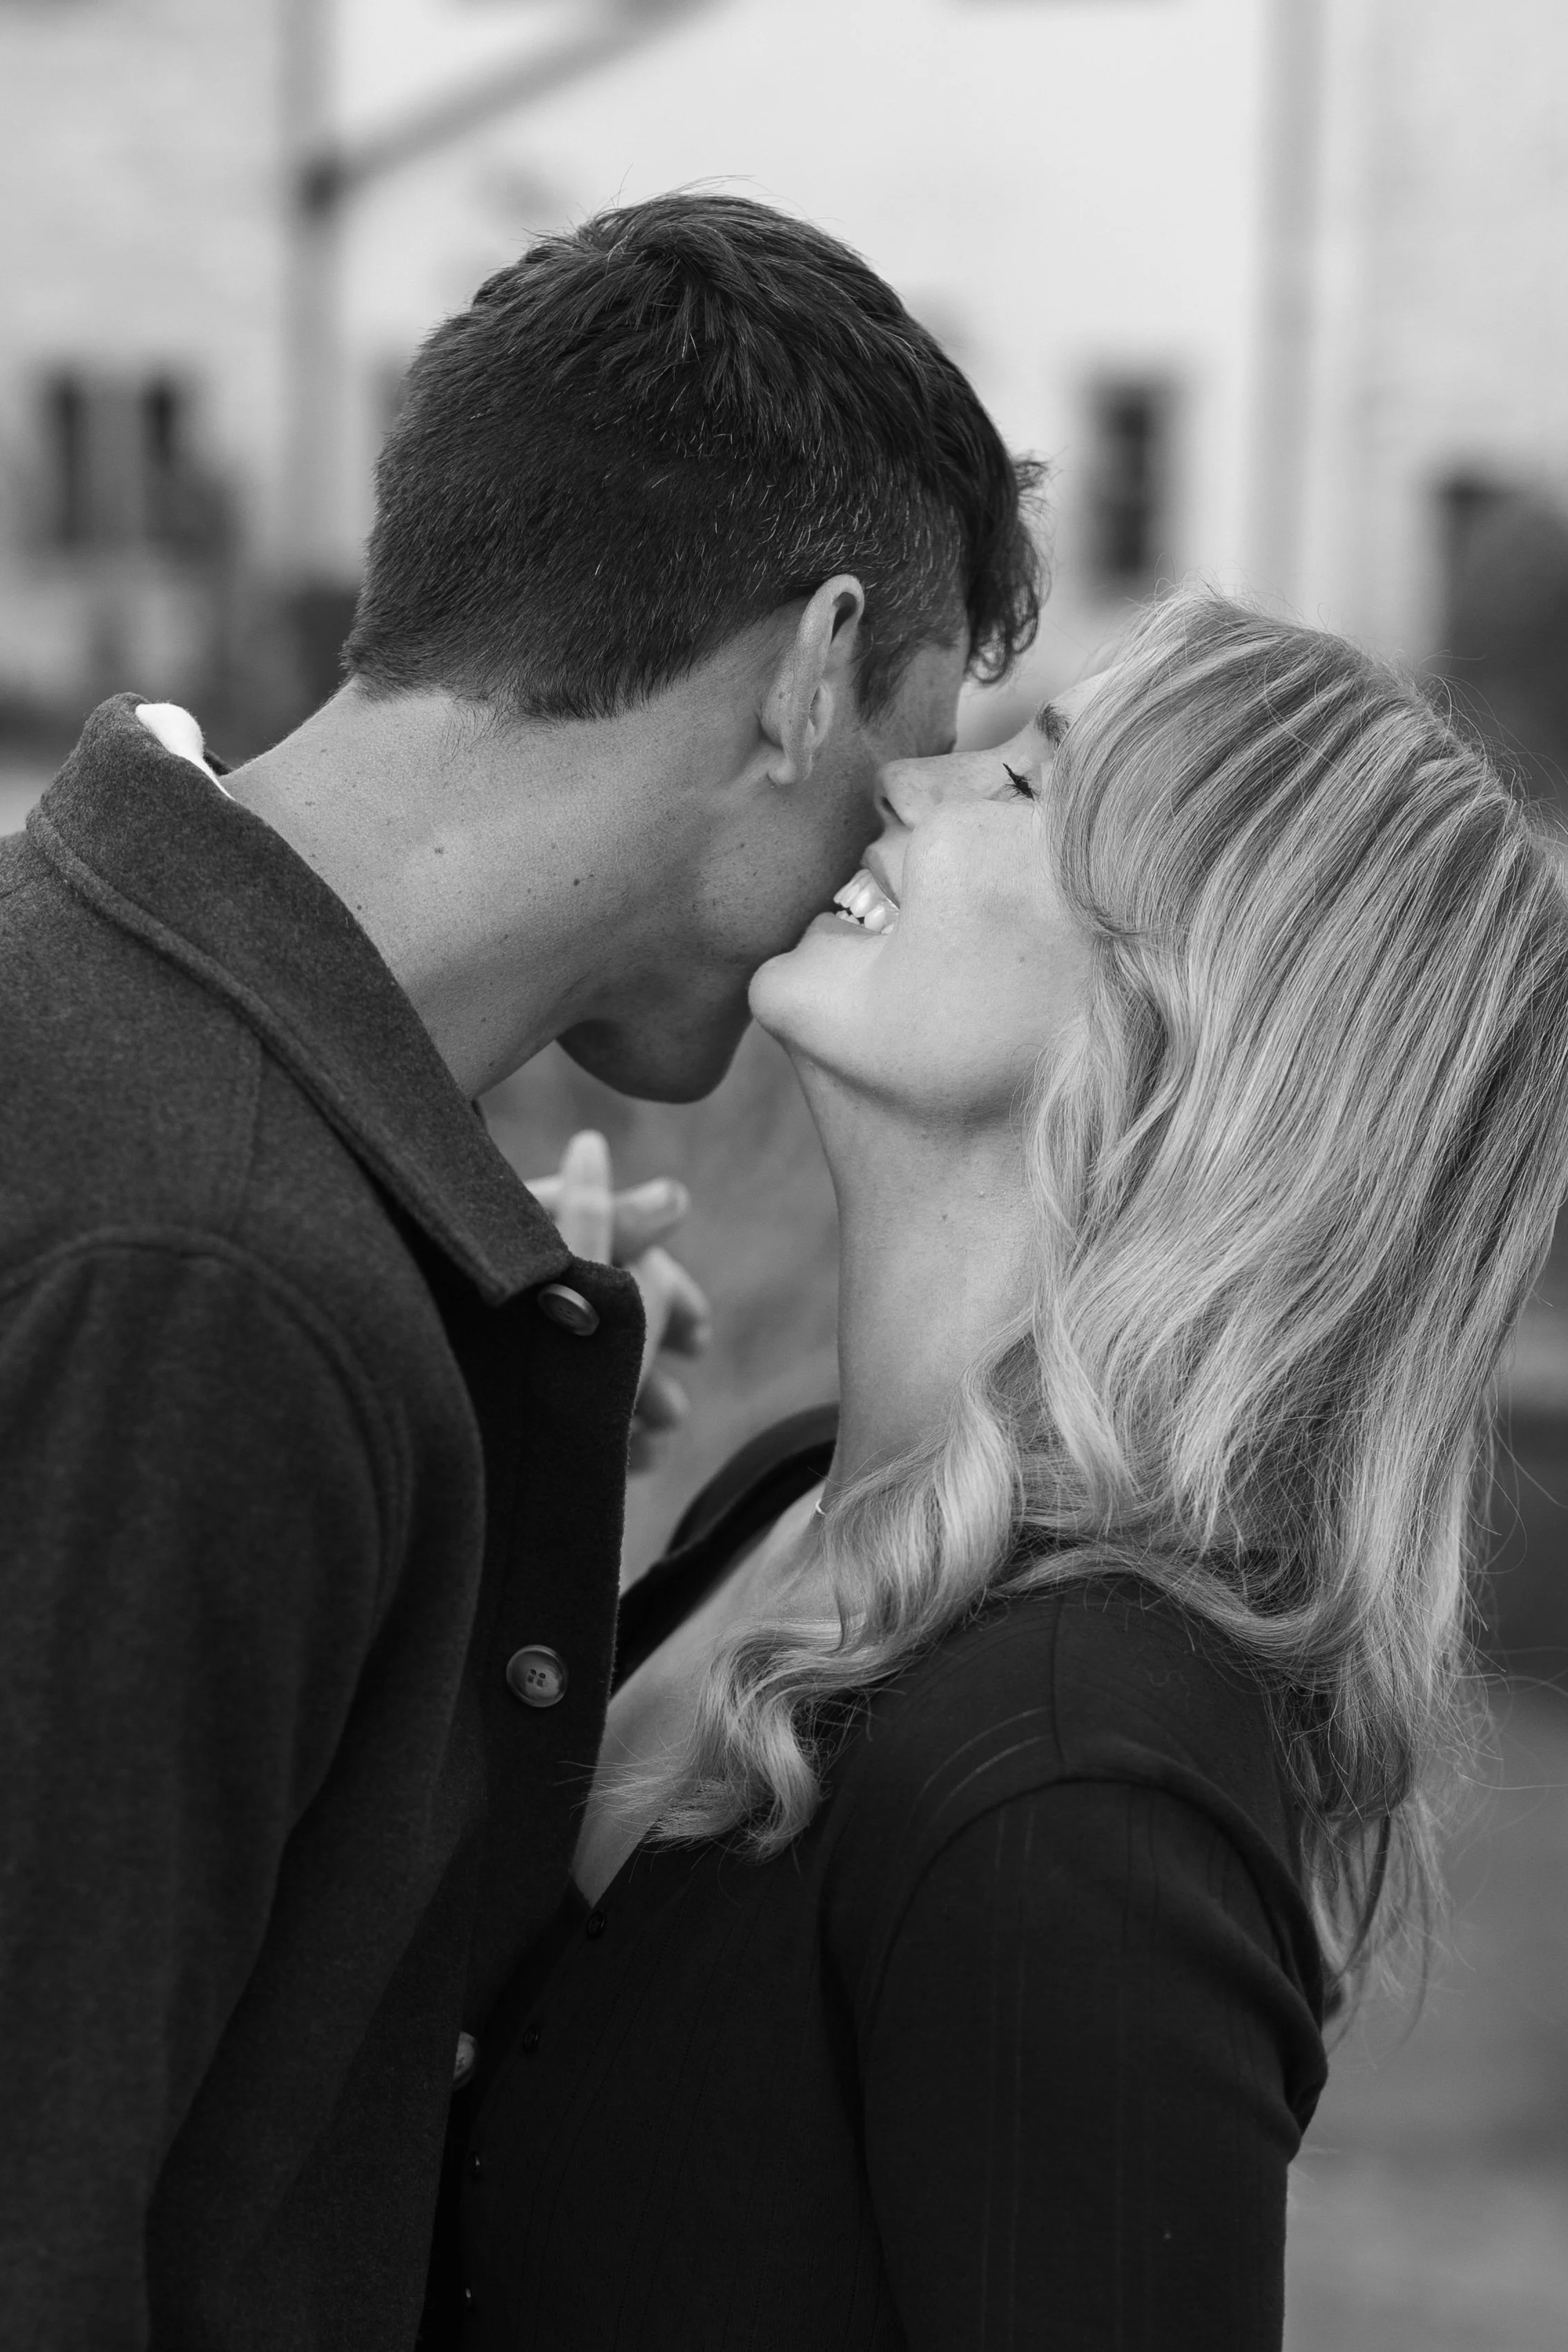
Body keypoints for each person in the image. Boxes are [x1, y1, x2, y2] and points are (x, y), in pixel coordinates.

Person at [0, 193, 1041, 2350]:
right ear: (810, 669)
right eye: (910, 759)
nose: (890, 848)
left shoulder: (126, 1048)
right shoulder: (207, 1275)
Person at [452, 590, 1568, 2350]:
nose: (908, 781)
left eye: (1031, 782)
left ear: (1193, 1034)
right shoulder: (790, 1503)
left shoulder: (1074, 1781)